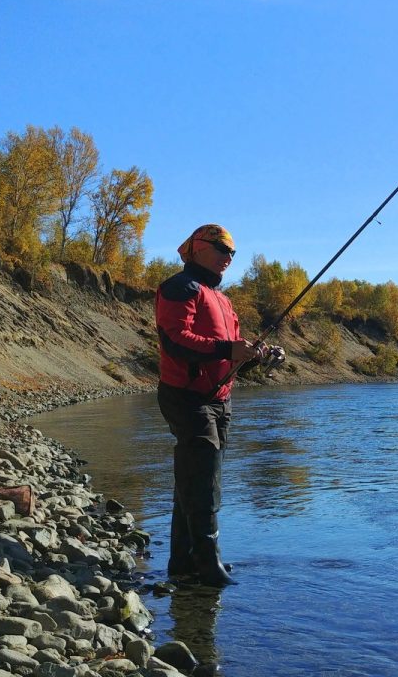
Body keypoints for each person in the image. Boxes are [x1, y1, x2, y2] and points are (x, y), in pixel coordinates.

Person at [155, 223, 260, 587]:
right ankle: (207, 562)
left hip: (219, 398)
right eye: (221, 248)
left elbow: (228, 349)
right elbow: (176, 340)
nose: (228, 257)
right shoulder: (179, 287)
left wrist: (255, 355)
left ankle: (183, 562)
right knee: (204, 481)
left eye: (232, 252)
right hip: (186, 396)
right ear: (198, 248)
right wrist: (227, 350)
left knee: (193, 478)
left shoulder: (223, 299)